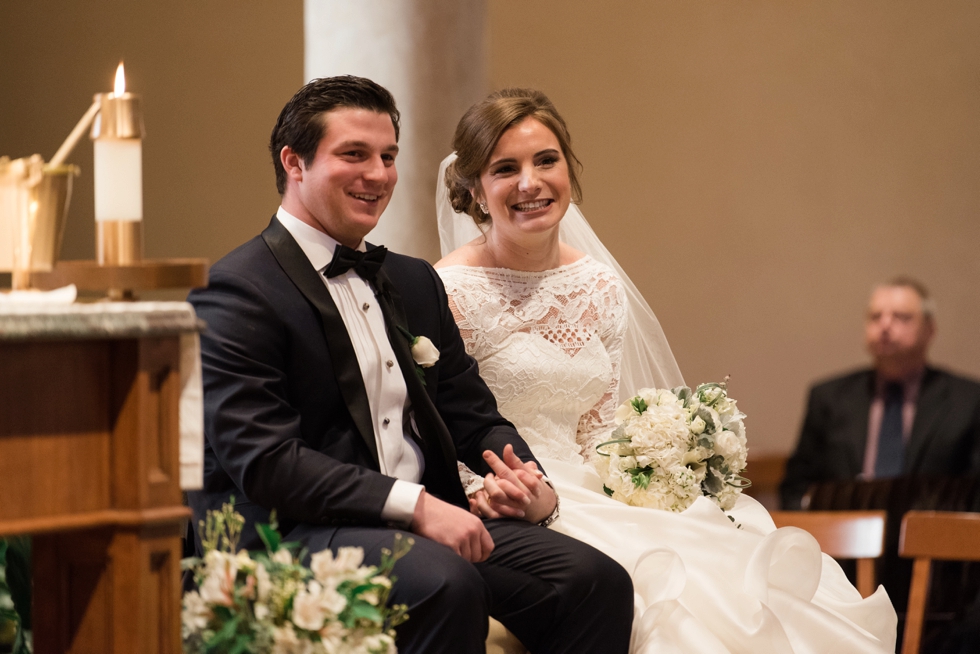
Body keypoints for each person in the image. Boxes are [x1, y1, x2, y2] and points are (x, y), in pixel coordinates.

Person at [435, 88, 898, 653]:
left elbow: (599, 433)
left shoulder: (598, 286)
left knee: (734, 574)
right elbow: (441, 425)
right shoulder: (449, 291)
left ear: (569, 171)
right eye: (505, 168)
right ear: (475, 190)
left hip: (584, 490)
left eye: (546, 160)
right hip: (501, 499)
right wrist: (495, 492)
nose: (530, 182)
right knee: (663, 598)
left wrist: (649, 478)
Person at [186, 76, 635, 654]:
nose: (377, 174)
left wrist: (527, 481)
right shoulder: (237, 291)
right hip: (296, 532)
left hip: (423, 520)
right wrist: (416, 505)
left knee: (594, 582)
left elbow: (473, 415)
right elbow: (268, 462)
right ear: (294, 162)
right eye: (354, 154)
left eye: (388, 157)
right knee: (445, 584)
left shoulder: (412, 280)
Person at [781, 278, 980, 510]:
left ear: (930, 329)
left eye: (901, 317)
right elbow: (795, 489)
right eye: (876, 317)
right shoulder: (828, 397)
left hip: (930, 538)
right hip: (840, 540)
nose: (885, 325)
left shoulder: (968, 400)